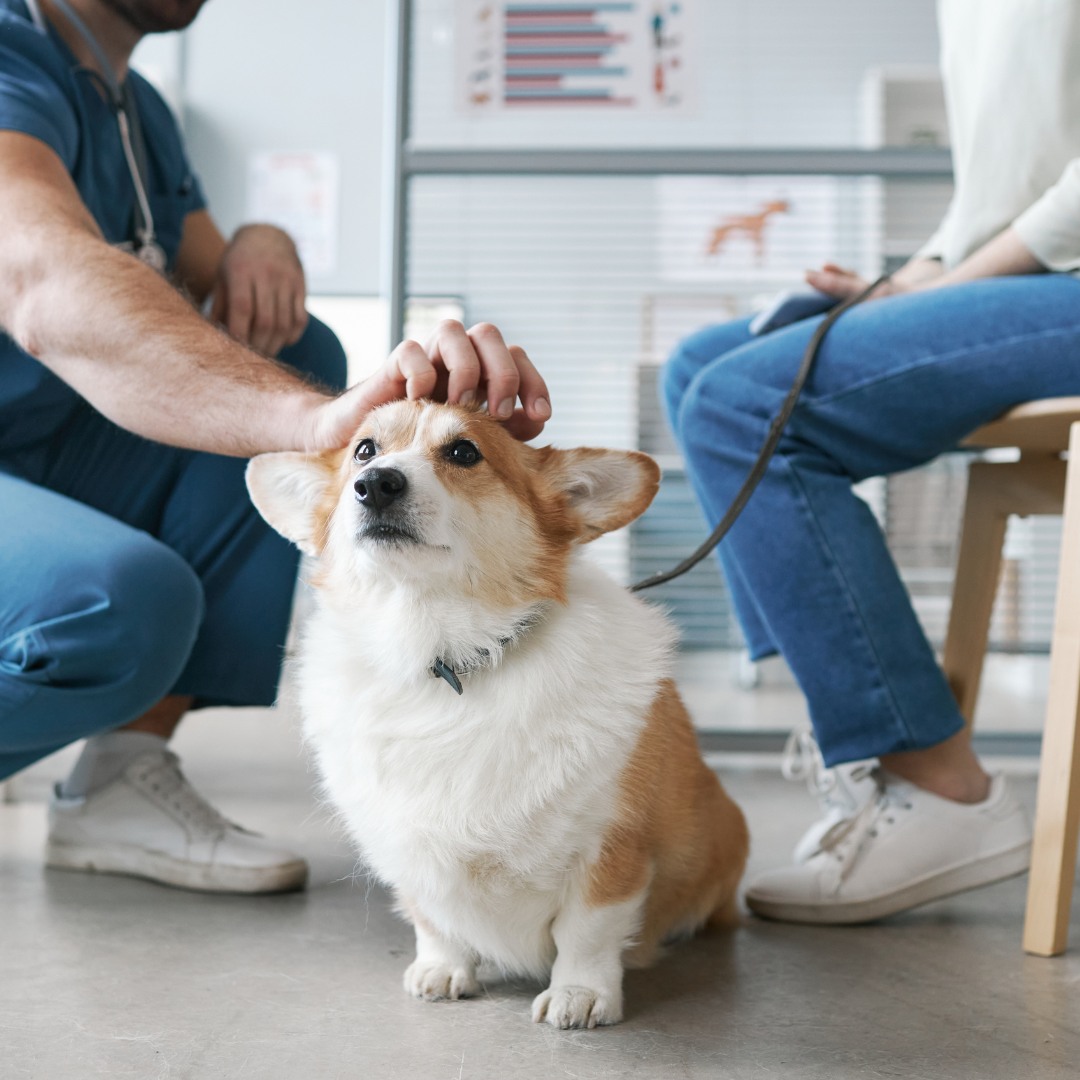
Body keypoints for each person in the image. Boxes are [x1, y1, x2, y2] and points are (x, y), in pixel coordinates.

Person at [0, 0, 550, 894]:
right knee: (120, 605)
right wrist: (313, 427)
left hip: (44, 451)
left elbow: (216, 272)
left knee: (295, 353)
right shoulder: (11, 59)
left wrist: (266, 240)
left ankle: (120, 779)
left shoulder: (134, 109)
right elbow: (38, 278)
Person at [663, 0, 1080, 924]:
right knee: (700, 366)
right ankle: (850, 733)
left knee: (744, 406)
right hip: (1038, 281)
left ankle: (939, 784)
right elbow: (1007, 191)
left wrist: (942, 290)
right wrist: (911, 279)